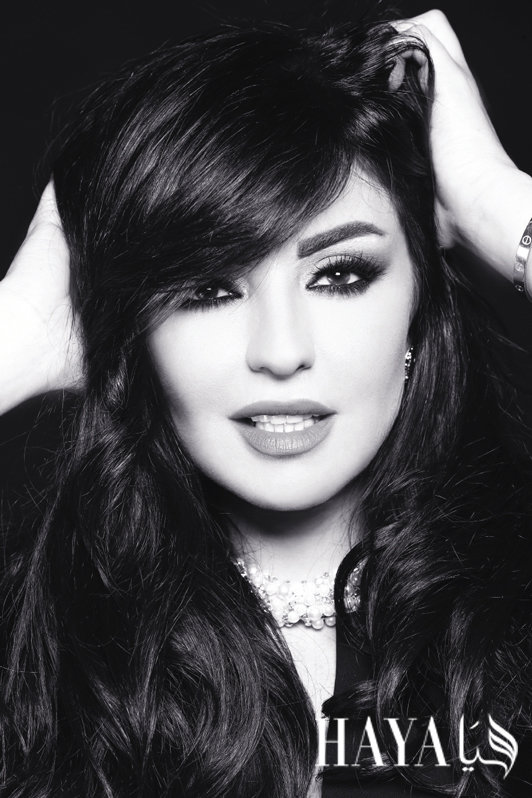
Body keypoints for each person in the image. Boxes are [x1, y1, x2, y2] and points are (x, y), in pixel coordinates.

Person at [0, 8, 531, 797]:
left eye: (340, 275)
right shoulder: (32, 648)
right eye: (208, 289)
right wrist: (14, 334)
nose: (280, 351)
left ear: (418, 307)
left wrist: (498, 205)